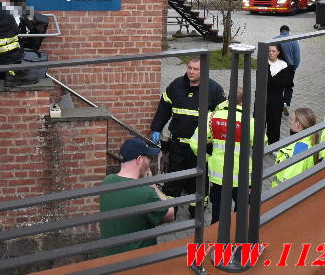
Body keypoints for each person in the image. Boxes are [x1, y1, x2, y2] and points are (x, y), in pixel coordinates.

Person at [150, 58, 225, 217]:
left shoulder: (214, 90)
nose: (191, 71)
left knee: (198, 181)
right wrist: (156, 128)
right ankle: (170, 210)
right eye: (189, 68)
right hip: (177, 145)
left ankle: (196, 210)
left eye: (196, 69)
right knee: (172, 180)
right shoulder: (176, 85)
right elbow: (164, 107)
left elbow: (222, 116)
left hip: (200, 147)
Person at [188, 87, 255, 224]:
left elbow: (195, 143)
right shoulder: (250, 122)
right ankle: (238, 239)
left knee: (218, 211)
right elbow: (262, 143)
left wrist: (208, 159)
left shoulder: (212, 117)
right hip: (242, 177)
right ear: (243, 103)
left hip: (219, 176)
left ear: (227, 99)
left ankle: (218, 239)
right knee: (241, 212)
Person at [99, 137, 174, 256]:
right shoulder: (146, 193)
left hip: (108, 258)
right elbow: (170, 214)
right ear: (139, 159)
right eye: (149, 158)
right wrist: (153, 185)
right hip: (137, 262)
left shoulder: (107, 182)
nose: (149, 163)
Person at [271, 108, 317, 187]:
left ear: (298, 124)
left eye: (292, 120)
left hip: (281, 196)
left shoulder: (298, 151)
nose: (290, 122)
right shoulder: (307, 141)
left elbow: (288, 184)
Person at [266, 43, 293, 144]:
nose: (271, 53)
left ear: (278, 52)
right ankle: (258, 144)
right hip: (263, 97)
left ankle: (273, 144)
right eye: (269, 51)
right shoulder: (263, 63)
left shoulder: (283, 64)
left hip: (277, 98)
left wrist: (272, 80)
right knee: (260, 122)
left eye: (273, 51)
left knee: (275, 122)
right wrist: (276, 81)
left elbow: (286, 83)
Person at [273, 25, 300, 116]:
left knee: (277, 86)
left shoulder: (274, 40)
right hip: (289, 67)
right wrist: (294, 66)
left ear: (280, 31)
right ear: (288, 31)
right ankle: (285, 103)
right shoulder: (293, 40)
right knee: (288, 86)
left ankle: (277, 105)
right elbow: (297, 56)